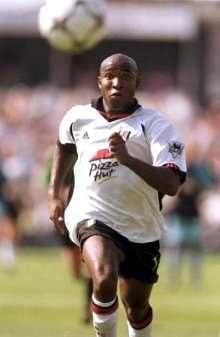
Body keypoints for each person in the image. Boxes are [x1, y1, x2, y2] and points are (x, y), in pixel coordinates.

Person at [48, 53, 187, 337]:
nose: (116, 83)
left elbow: (171, 184)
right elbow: (64, 146)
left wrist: (128, 160)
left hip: (140, 225)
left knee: (136, 307)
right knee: (104, 277)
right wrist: (54, 193)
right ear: (99, 82)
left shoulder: (157, 126)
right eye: (110, 77)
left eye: (125, 77)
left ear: (137, 83)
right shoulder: (77, 118)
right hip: (91, 215)